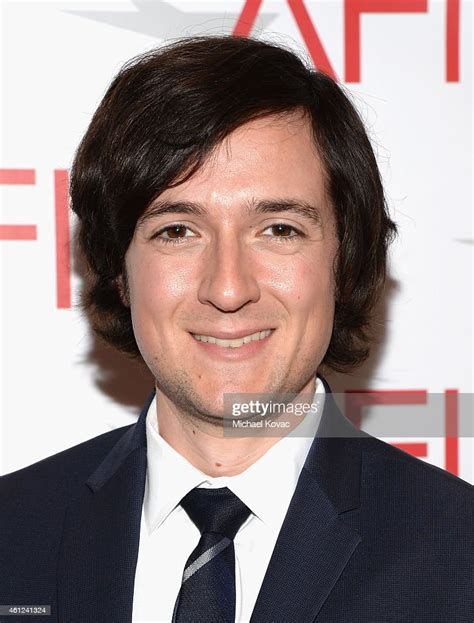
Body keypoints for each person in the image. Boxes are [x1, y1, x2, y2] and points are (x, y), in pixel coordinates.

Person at [0, 35, 472, 623]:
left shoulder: (460, 553)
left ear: (345, 265)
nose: (228, 288)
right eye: (177, 230)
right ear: (118, 269)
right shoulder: (13, 533)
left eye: (278, 229)